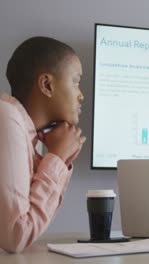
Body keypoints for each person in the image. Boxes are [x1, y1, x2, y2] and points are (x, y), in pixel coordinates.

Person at [0, 37, 86, 252]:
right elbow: (16, 236)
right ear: (47, 85)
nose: (81, 95)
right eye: (76, 81)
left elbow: (29, 227)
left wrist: (59, 159)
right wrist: (56, 157)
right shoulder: (7, 117)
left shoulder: (26, 132)